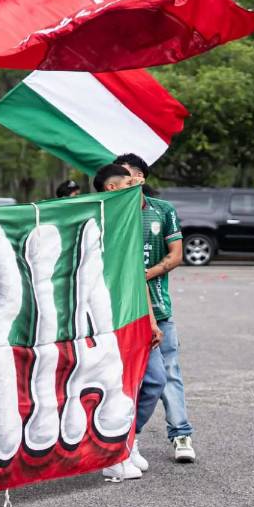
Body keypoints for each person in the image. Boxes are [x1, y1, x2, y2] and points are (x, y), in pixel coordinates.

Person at [113, 154, 196, 464]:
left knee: (167, 372)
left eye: (127, 175)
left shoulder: (162, 211)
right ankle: (120, 440)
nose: (122, 181)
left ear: (140, 179)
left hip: (158, 308)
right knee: (131, 378)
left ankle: (181, 433)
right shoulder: (110, 212)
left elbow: (176, 256)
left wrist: (142, 275)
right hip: (120, 314)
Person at [93, 163, 167, 481]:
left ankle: (127, 441)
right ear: (112, 189)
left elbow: (136, 274)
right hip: (104, 320)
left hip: (133, 316)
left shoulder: (128, 223)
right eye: (128, 181)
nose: (136, 184)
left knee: (152, 381)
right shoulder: (97, 221)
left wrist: (150, 319)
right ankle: (110, 454)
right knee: (111, 388)